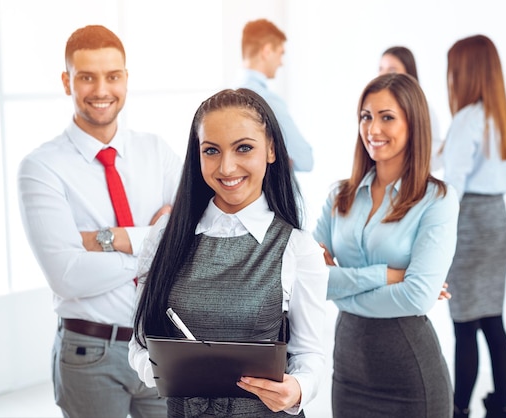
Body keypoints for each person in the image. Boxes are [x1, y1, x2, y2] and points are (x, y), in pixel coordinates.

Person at [128, 88, 329, 417]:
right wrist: (169, 372)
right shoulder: (165, 236)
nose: (227, 167)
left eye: (244, 148)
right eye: (211, 151)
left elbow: (310, 356)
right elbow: (138, 344)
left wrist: (297, 390)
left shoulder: (297, 248)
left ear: (271, 150)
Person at [17, 25, 182, 418]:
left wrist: (116, 239)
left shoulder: (155, 151)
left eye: (113, 76)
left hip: (161, 345)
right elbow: (67, 275)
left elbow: (194, 234)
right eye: (86, 76)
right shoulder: (41, 168)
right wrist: (156, 244)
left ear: (126, 78)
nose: (101, 89)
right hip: (91, 353)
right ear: (66, 81)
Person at [313, 73, 459, 418]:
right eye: (366, 116)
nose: (373, 129)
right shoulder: (340, 196)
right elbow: (309, 278)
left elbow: (418, 296)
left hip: (410, 375)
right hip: (348, 371)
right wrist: (390, 275)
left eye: (387, 117)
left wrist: (341, 285)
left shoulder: (436, 200)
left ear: (414, 123)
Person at [443, 34, 506, 418]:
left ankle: (458, 409)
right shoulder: (505, 119)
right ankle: (500, 406)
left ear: (466, 72)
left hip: (470, 224)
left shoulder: (467, 119)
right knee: (492, 318)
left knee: (465, 325)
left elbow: (453, 183)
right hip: (499, 224)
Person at [235, 18, 314, 172]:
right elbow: (305, 160)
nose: (281, 62)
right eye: (280, 53)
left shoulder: (224, 98)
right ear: (267, 51)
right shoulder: (266, 100)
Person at [378, 46, 444, 172]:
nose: (383, 75)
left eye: (392, 70)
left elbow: (435, 155)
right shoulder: (373, 109)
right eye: (381, 69)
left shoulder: (424, 110)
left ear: (408, 73)